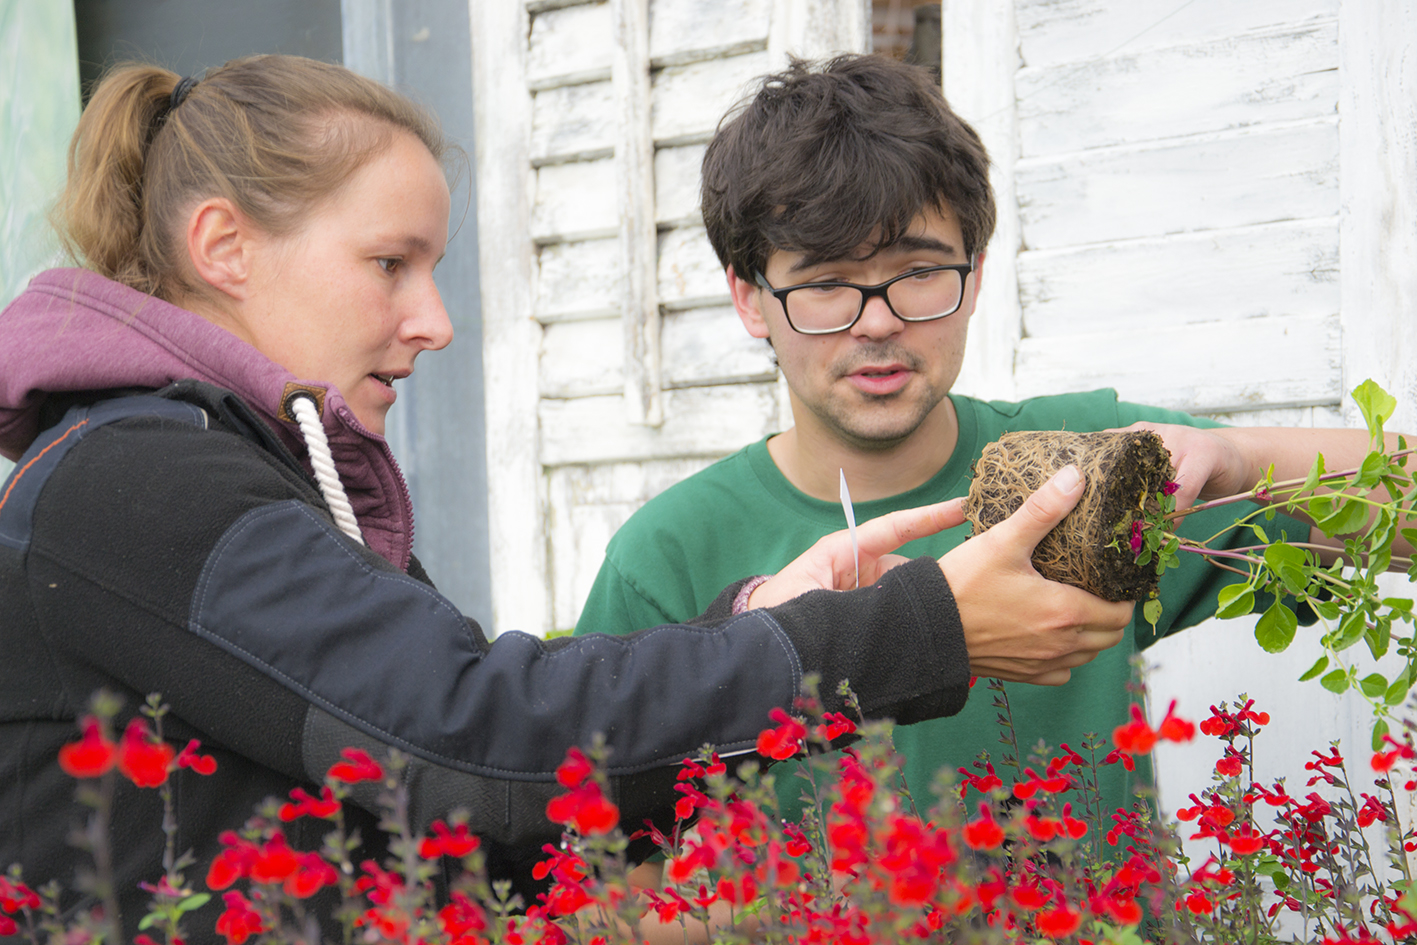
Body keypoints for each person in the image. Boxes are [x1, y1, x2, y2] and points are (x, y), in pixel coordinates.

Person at [0, 55, 1122, 942]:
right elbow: (479, 743)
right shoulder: (136, 483)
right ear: (224, 246)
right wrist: (914, 628)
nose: (435, 320)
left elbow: (464, 819)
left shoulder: (237, 475)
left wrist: (762, 623)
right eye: (392, 263)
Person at [575, 52, 1411, 866]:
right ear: (749, 298)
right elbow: (595, 864)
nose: (877, 321)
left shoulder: (1086, 462)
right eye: (826, 280)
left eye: (917, 270)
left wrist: (1236, 456)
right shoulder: (669, 557)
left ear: (973, 277)